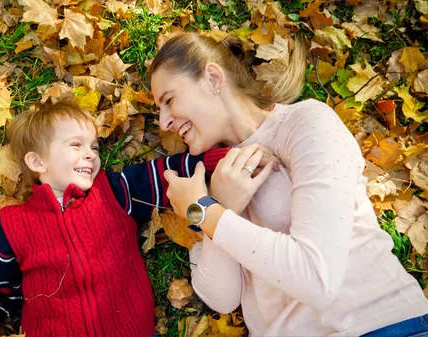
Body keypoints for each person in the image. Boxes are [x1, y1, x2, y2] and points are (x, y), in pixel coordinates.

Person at [150, 32, 428, 337]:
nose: (164, 123)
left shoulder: (306, 124)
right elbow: (222, 297)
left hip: (379, 326)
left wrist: (203, 212)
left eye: (169, 100)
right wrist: (220, 206)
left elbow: (317, 280)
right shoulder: (210, 178)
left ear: (213, 78)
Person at [0, 102, 256, 337]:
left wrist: (226, 160)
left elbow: (166, 174)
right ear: (37, 161)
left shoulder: (114, 191)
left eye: (94, 147)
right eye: (76, 145)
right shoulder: (14, 223)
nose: (90, 154)